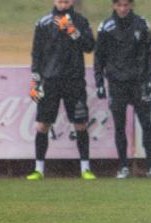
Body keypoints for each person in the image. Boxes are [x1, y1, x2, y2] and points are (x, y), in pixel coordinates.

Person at [94, 0, 151, 179]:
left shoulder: (141, 24)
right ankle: (123, 167)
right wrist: (99, 83)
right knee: (119, 126)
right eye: (119, 5)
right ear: (114, 6)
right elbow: (99, 56)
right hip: (116, 83)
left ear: (131, 5)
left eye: (126, 5)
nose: (123, 9)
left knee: (146, 125)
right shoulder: (105, 27)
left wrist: (149, 79)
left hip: (138, 83)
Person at [27, 0, 96, 180]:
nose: (63, 1)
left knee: (80, 123)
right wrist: (35, 81)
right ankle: (39, 169)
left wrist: (72, 31)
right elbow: (36, 54)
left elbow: (89, 46)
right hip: (50, 81)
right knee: (43, 124)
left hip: (74, 81)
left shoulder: (81, 21)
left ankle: (85, 169)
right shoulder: (43, 23)